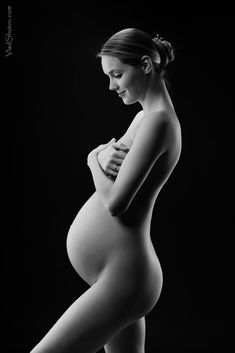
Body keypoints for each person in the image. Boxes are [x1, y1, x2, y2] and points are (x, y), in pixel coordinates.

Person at [30, 28, 181, 353]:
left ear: (145, 65)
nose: (112, 86)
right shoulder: (145, 118)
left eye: (117, 74)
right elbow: (115, 176)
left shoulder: (158, 123)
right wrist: (101, 157)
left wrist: (91, 160)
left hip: (125, 278)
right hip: (121, 277)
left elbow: (115, 202)